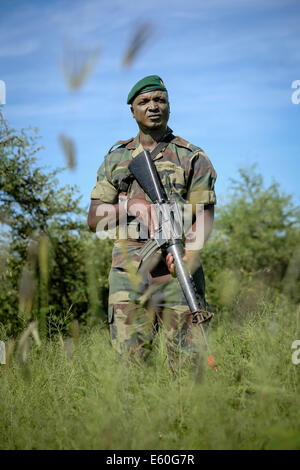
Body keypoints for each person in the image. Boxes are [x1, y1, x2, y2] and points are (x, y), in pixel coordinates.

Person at [88, 75, 217, 367]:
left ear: (169, 106)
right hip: (128, 273)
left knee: (188, 365)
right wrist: (131, 205)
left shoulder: (193, 157)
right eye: (144, 102)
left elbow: (204, 214)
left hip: (177, 269)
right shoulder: (116, 159)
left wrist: (191, 253)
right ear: (132, 111)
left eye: (160, 100)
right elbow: (95, 218)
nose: (153, 106)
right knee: (130, 368)